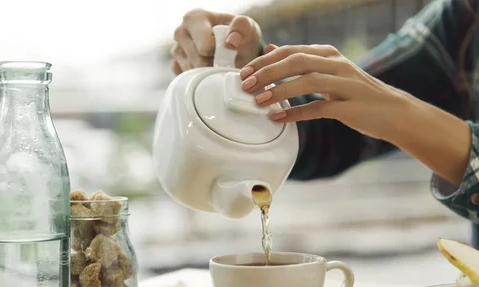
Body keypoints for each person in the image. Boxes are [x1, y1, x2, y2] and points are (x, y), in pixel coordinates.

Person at [171, 0, 479, 247]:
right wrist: (250, 88)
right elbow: (333, 123)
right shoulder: (464, 17)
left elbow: (382, 106)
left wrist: (402, 112)